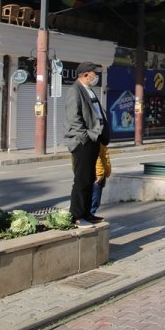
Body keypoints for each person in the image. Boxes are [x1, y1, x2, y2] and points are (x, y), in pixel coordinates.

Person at [64, 61, 110, 227]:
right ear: (85, 74)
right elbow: (73, 118)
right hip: (83, 141)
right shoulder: (74, 91)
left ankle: (87, 213)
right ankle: (76, 216)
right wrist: (85, 137)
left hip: (93, 140)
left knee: (90, 179)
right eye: (94, 73)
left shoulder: (89, 90)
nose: (96, 76)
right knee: (82, 180)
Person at [91, 142, 112, 217]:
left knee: (95, 199)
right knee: (95, 199)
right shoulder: (97, 141)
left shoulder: (100, 141)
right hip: (97, 175)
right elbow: (98, 158)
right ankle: (90, 215)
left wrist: (107, 171)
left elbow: (104, 157)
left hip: (101, 174)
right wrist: (99, 174)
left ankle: (91, 215)